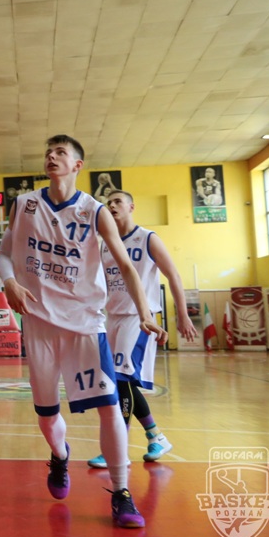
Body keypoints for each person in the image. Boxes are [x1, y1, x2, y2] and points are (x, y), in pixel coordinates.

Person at [0, 134, 168, 529]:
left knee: (109, 406)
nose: (51, 157)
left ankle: (122, 492)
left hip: (86, 325)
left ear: (77, 166)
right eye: (48, 153)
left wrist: (144, 311)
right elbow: (5, 253)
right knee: (46, 415)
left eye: (61, 153)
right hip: (39, 323)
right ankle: (59, 455)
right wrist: (9, 281)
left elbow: (126, 266)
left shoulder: (94, 212)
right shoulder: (25, 205)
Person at [87, 190, 198, 470]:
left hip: (139, 318)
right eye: (108, 203)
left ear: (131, 207)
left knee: (122, 379)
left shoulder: (147, 238)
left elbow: (173, 275)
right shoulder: (104, 244)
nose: (111, 206)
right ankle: (155, 435)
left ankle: (117, 449)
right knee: (116, 382)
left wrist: (182, 315)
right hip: (111, 318)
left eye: (117, 202)